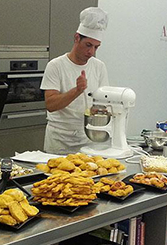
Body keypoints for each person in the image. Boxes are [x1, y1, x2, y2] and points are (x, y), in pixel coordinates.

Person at [40, 7, 110, 154]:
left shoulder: (99, 67)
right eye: (88, 45)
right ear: (77, 38)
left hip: (88, 138)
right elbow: (50, 104)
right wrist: (77, 91)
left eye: (96, 47)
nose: (91, 52)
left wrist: (101, 109)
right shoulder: (56, 66)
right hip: (59, 139)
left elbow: (103, 102)